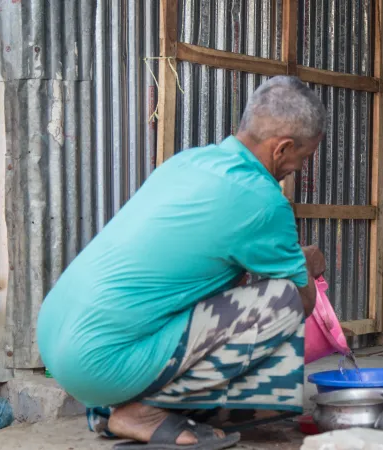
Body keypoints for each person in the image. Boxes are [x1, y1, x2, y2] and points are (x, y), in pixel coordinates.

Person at [37, 76, 327, 449]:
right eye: (304, 157)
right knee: (283, 300)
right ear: (282, 147)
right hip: (102, 361)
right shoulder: (263, 200)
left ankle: (113, 408)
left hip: (56, 340)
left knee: (267, 383)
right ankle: (143, 412)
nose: (299, 168)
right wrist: (305, 264)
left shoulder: (188, 162)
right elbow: (303, 301)